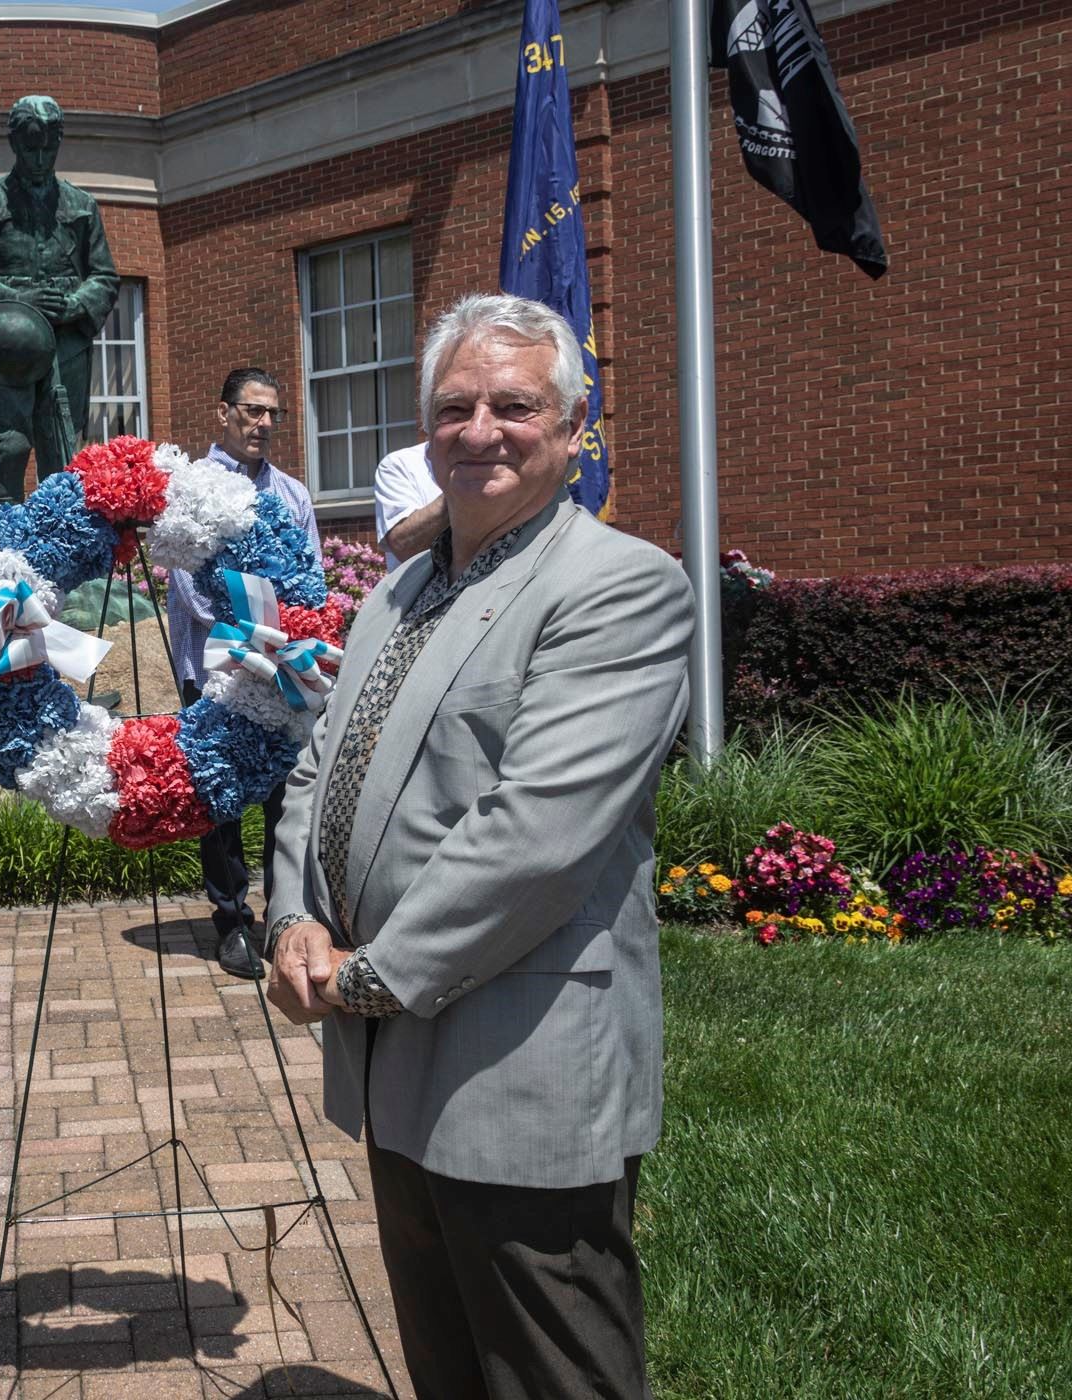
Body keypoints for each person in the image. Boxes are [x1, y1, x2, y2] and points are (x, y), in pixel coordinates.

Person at [265, 292, 693, 1399]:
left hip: (522, 1055)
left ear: (572, 425)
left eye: (515, 404)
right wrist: (293, 915)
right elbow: (320, 765)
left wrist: (364, 977)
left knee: (553, 1366)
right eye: (455, 407)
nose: (481, 429)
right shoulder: (403, 585)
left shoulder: (618, 587)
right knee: (447, 1361)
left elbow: (536, 838)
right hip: (392, 1051)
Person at [165, 368, 322, 980]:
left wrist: (291, 642)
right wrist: (257, 632)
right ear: (223, 412)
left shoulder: (293, 496)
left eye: (271, 414)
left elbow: (310, 579)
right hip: (214, 670)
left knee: (288, 799)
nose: (262, 424)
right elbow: (192, 591)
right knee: (219, 800)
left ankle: (286, 917)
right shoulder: (193, 488)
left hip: (281, 672)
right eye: (251, 411)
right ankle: (232, 920)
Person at [0, 94, 120, 504]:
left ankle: (68, 554)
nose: (40, 157)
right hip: (10, 343)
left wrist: (75, 304)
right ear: (13, 142)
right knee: (11, 446)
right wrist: (20, 300)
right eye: (30, 146)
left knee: (62, 450)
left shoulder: (81, 205)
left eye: (48, 147)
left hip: (67, 343)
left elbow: (105, 276)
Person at [371, 440, 447, 569]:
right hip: (427, 587)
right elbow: (404, 546)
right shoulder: (399, 464)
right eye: (455, 419)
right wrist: (458, 489)